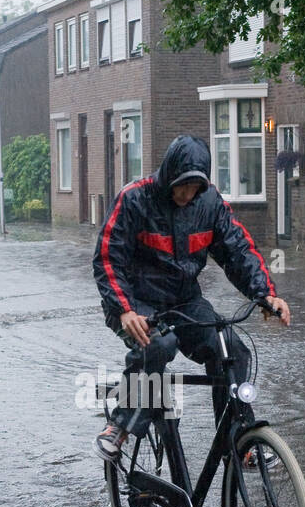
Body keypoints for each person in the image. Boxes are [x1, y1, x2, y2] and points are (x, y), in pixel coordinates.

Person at [93, 134, 290, 461]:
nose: (187, 194)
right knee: (159, 345)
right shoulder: (134, 200)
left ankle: (237, 439)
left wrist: (265, 294)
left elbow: (238, 251)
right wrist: (124, 309)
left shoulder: (210, 204)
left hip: (184, 303)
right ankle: (121, 423)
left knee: (232, 350)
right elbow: (107, 258)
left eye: (194, 187)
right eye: (181, 186)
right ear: (169, 175)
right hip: (136, 303)